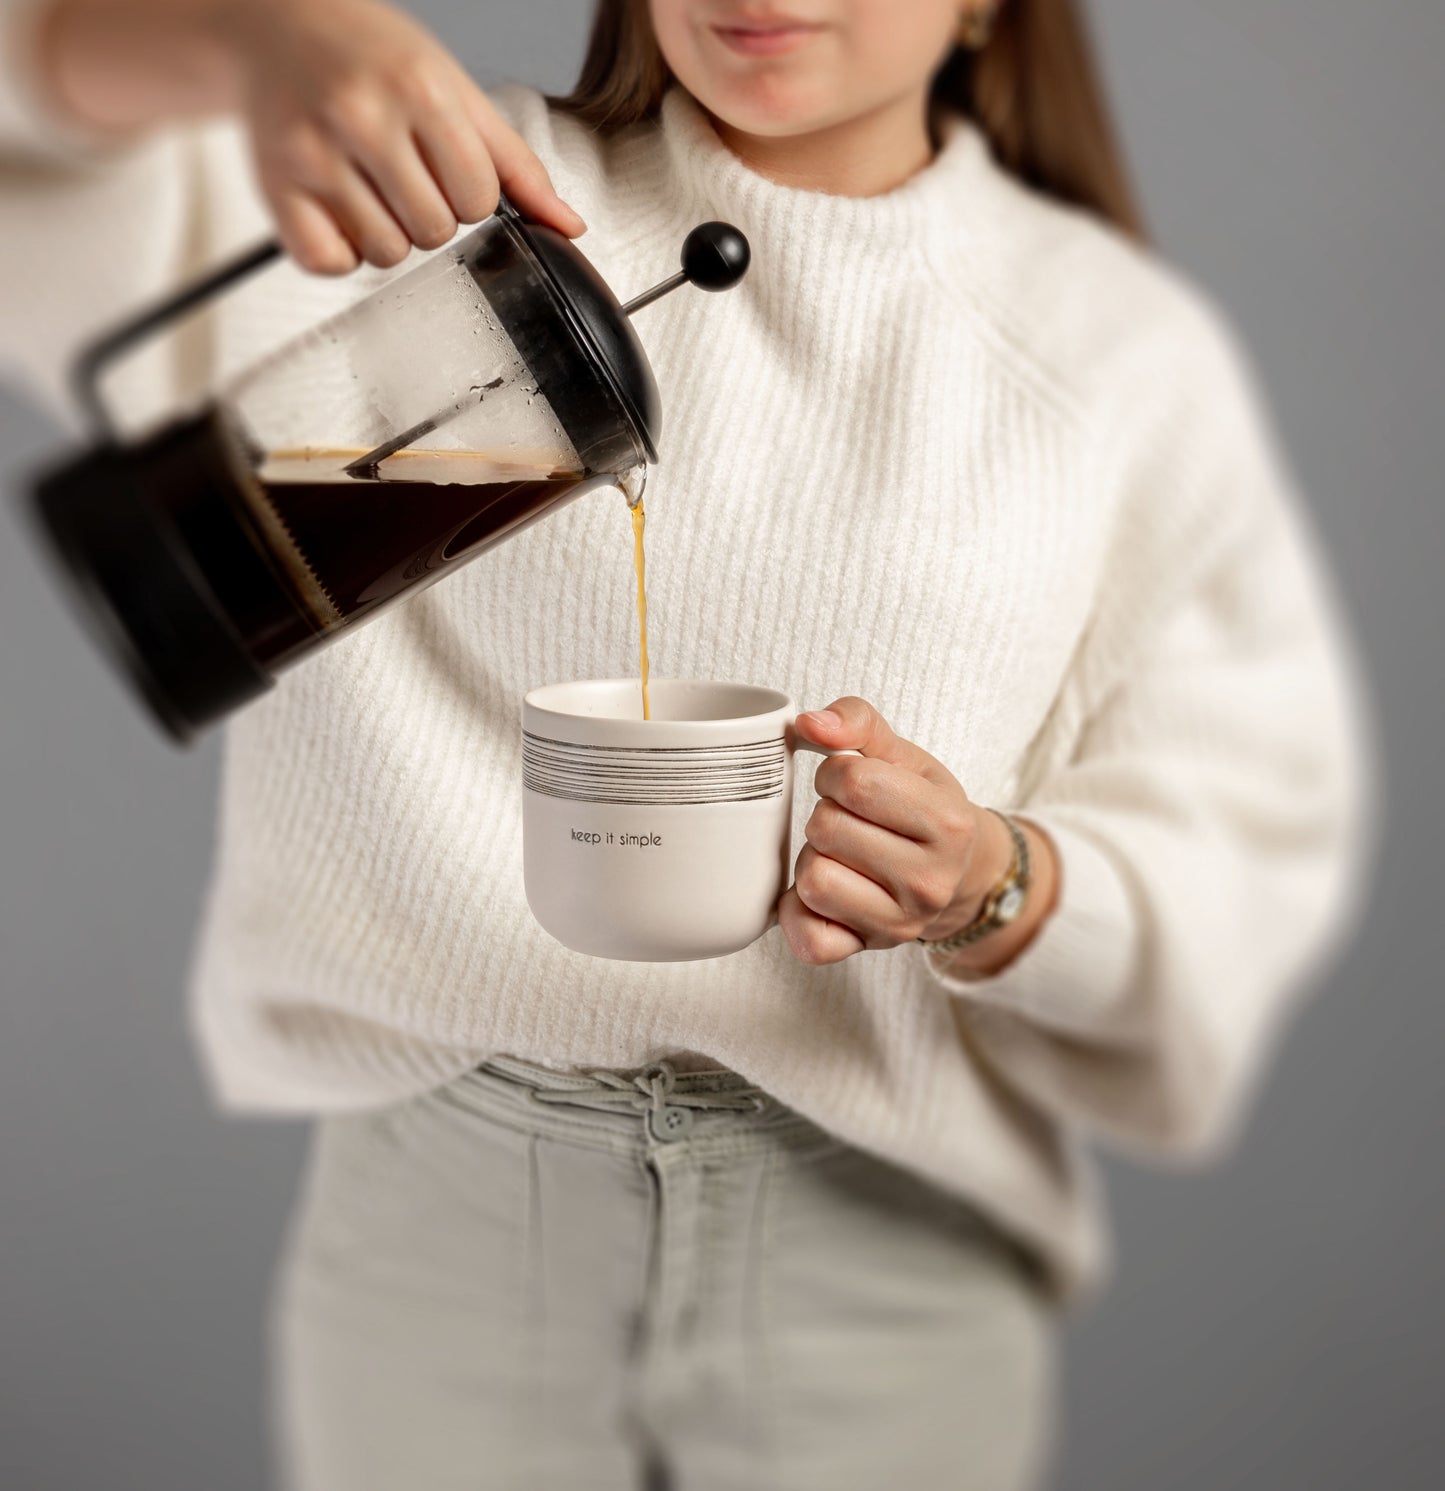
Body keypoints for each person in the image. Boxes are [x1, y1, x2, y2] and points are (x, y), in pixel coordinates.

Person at [0, 1, 1379, 1488]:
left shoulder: (1115, 355)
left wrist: (1000, 884)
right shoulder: (440, 185)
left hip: (881, 1265)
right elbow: (41, 150)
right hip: (445, 1240)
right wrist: (251, 37)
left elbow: (1250, 846)